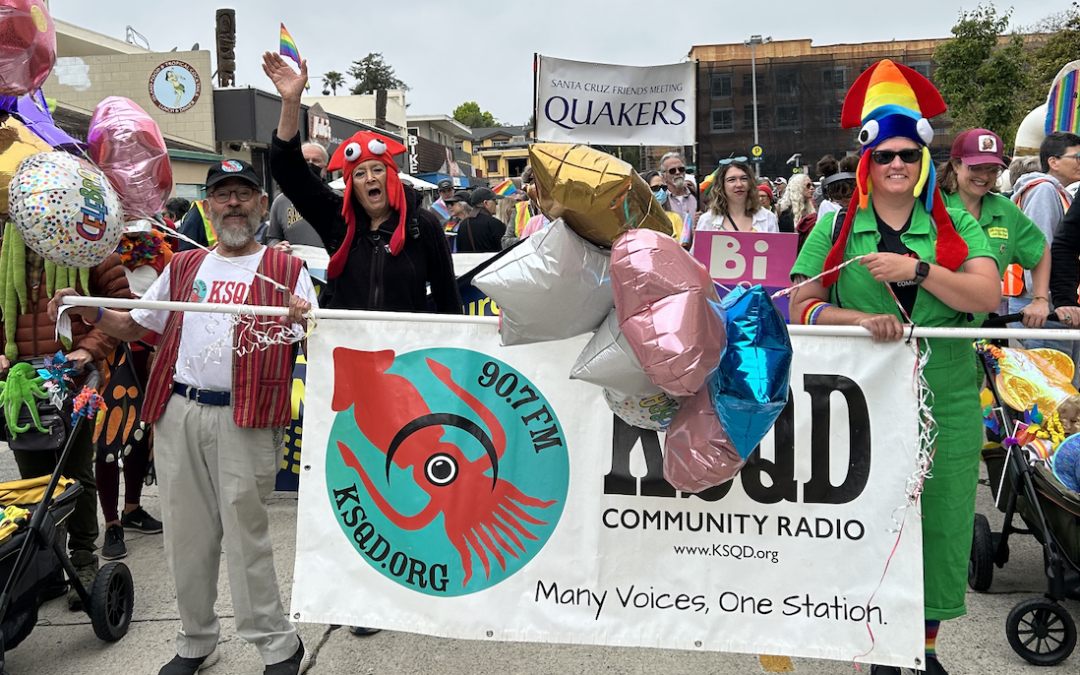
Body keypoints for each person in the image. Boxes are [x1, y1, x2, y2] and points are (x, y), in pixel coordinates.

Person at [50, 158, 318, 675]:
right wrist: (92, 313)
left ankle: (277, 646)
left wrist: (306, 320)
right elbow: (137, 327)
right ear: (209, 206)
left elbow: (317, 338)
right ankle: (196, 641)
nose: (233, 203)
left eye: (243, 194)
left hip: (248, 419)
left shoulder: (287, 271)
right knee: (187, 538)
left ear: (262, 206)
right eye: (223, 195)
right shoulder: (184, 267)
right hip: (178, 413)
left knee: (247, 538)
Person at [789, 60, 1000, 675]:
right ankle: (879, 644)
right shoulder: (834, 226)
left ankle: (923, 650)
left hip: (949, 400)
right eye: (885, 155)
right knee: (869, 520)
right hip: (863, 402)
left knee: (939, 524)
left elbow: (987, 298)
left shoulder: (954, 221)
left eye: (909, 153)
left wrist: (919, 271)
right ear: (866, 162)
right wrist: (857, 319)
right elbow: (802, 307)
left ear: (925, 160)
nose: (898, 164)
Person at [263, 52, 461, 314]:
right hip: (348, 348)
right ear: (351, 185)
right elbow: (287, 169)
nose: (369, 178)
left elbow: (447, 298)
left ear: (390, 175)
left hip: (406, 351)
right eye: (359, 174)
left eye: (377, 169)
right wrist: (290, 102)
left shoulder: (423, 225)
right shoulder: (337, 220)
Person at [2, 232, 131, 610]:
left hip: (73, 379)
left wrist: (87, 350)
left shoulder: (92, 247)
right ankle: (45, 569)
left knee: (75, 475)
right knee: (32, 484)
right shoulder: (4, 250)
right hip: (20, 387)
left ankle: (84, 561)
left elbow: (122, 309)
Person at [98, 219, 172, 562]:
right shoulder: (95, 248)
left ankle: (132, 508)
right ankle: (111, 521)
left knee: (141, 433)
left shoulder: (162, 251)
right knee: (109, 438)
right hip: (111, 352)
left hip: (150, 353)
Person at [938, 128, 1049, 329]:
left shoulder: (1005, 210)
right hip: (930, 331)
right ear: (955, 165)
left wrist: (1040, 299)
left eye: (992, 169)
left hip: (979, 333)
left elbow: (1039, 250)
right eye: (976, 167)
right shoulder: (930, 204)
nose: (984, 176)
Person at [1009, 131, 1080, 363]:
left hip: (1043, 302)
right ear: (1053, 162)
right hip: (1041, 306)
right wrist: (1047, 300)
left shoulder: (1052, 191)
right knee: (1050, 387)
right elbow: (1041, 247)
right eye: (1077, 157)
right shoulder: (1044, 191)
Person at [266, 142, 329, 260]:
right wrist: (276, 246)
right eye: (305, 160)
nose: (310, 164)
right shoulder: (281, 202)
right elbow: (272, 238)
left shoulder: (339, 200)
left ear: (325, 168)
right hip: (293, 270)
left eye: (316, 160)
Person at [693, 160, 779, 242]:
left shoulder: (768, 218)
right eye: (731, 180)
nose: (739, 184)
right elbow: (696, 256)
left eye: (744, 179)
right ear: (722, 185)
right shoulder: (707, 220)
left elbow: (776, 254)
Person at [456, 187, 506, 253]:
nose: (496, 204)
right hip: (493, 262)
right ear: (486, 203)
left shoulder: (463, 224)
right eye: (494, 200)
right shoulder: (494, 223)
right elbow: (504, 249)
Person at [659, 152, 698, 229]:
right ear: (664, 177)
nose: (678, 172)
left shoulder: (699, 198)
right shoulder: (661, 202)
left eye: (681, 169)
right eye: (672, 171)